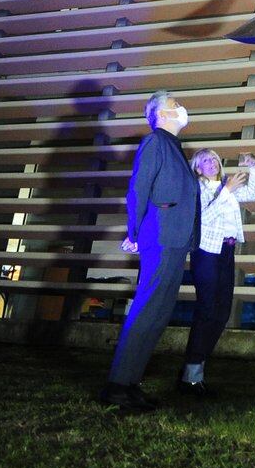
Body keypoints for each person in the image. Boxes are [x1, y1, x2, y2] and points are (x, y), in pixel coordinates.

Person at [99, 90, 242, 411]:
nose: (181, 108)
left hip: (176, 241)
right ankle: (118, 385)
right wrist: (133, 231)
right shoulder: (155, 142)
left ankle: (131, 383)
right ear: (161, 116)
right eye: (175, 105)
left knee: (159, 314)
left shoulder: (174, 148)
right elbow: (138, 188)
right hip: (160, 237)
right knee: (148, 309)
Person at [177, 149, 255, 396]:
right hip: (205, 252)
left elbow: (252, 193)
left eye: (214, 158)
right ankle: (192, 377)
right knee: (207, 310)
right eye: (205, 160)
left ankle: (191, 369)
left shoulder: (223, 187)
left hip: (226, 251)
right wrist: (227, 190)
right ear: (197, 168)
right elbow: (203, 219)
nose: (212, 162)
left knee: (222, 312)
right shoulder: (197, 189)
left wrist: (253, 168)